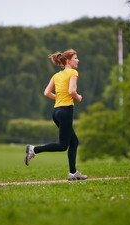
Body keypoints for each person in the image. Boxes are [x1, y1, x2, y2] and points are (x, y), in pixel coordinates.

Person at [25, 49, 87, 181]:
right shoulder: (73, 72)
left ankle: (73, 173)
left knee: (74, 142)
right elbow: (71, 90)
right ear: (68, 61)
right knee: (63, 146)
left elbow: (46, 92)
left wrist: (59, 98)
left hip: (56, 112)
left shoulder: (56, 76)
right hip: (65, 111)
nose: (78, 60)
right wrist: (78, 97)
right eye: (76, 58)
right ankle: (34, 149)